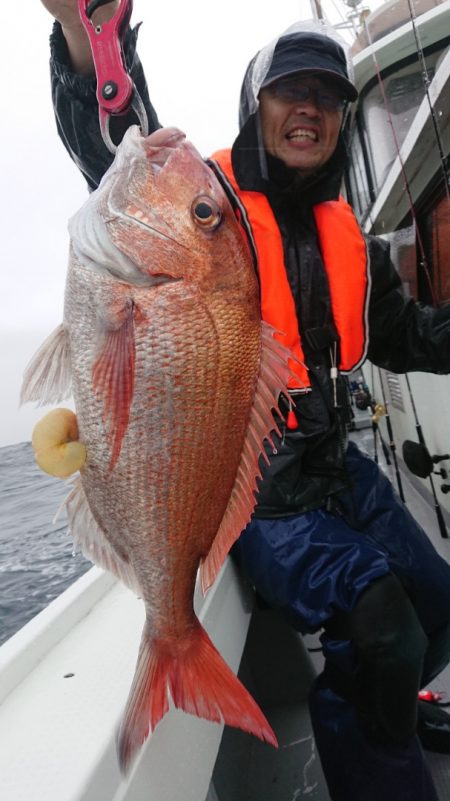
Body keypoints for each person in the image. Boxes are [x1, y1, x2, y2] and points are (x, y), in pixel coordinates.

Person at [39, 3, 450, 799]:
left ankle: (390, 704)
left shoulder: (348, 239)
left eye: (328, 98)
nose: (310, 109)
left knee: (437, 601)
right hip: (258, 495)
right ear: (254, 106)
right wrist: (95, 51)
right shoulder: (213, 205)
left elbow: (411, 337)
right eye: (289, 91)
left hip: (336, 473)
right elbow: (119, 146)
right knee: (383, 626)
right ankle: (376, 753)